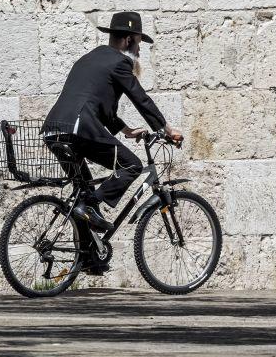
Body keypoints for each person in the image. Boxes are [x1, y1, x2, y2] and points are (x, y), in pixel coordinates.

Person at [43, 12, 184, 231]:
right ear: (128, 40)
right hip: (80, 129)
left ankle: (88, 259)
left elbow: (100, 105)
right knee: (132, 165)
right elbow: (141, 99)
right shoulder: (120, 63)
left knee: (83, 194)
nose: (139, 51)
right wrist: (166, 129)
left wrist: (126, 130)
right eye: (138, 44)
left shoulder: (90, 58)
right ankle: (89, 206)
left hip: (55, 130)